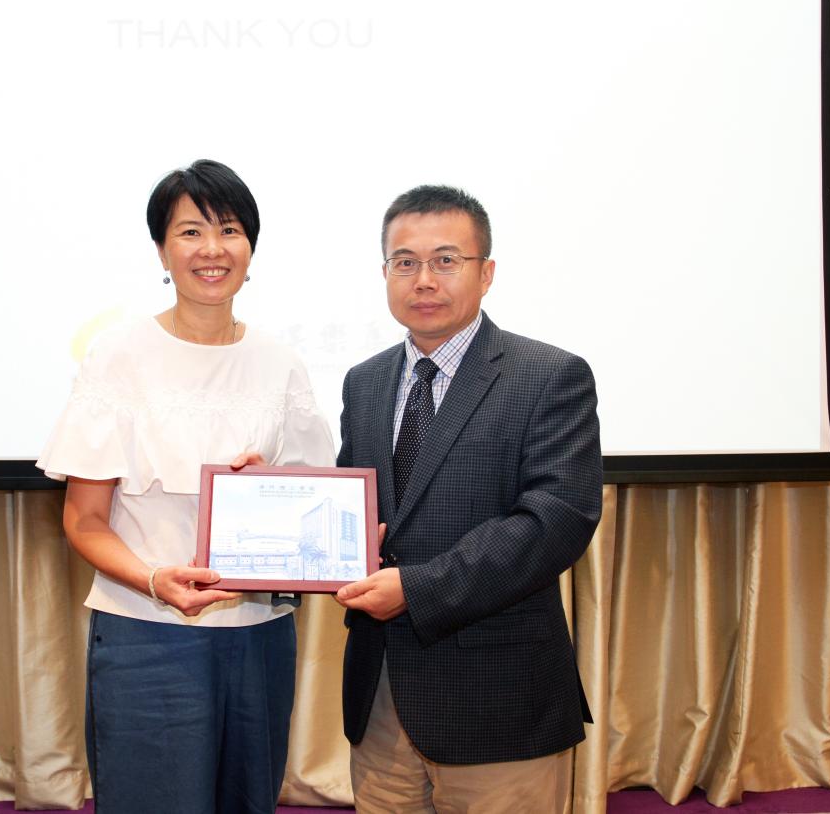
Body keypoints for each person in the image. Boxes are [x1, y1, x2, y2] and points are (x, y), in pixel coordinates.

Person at [37, 159, 335, 814]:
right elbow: (84, 520)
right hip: (147, 632)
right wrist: (154, 580)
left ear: (250, 247)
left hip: (261, 635)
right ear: (161, 250)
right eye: (191, 232)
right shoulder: (119, 355)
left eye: (229, 230)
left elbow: (313, 504)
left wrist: (274, 490)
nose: (212, 249)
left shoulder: (281, 363)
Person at [335, 185, 602, 813]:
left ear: (486, 273)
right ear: (385, 273)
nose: (424, 279)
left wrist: (418, 588)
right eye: (405, 262)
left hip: (497, 697)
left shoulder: (549, 376)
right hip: (381, 697)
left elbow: (555, 520)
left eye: (446, 260)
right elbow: (355, 506)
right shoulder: (365, 382)